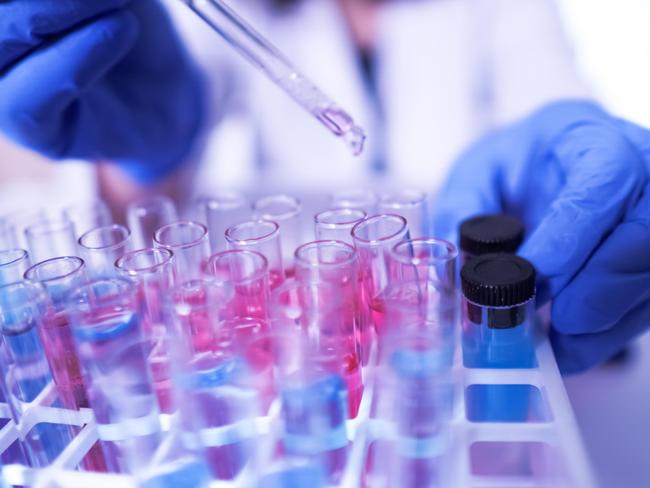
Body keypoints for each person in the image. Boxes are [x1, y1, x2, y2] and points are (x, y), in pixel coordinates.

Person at [0, 0, 648, 373]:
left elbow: (560, 116)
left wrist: (588, 194)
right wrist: (142, 155)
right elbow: (139, 224)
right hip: (297, 355)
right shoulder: (228, 11)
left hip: (456, 350)